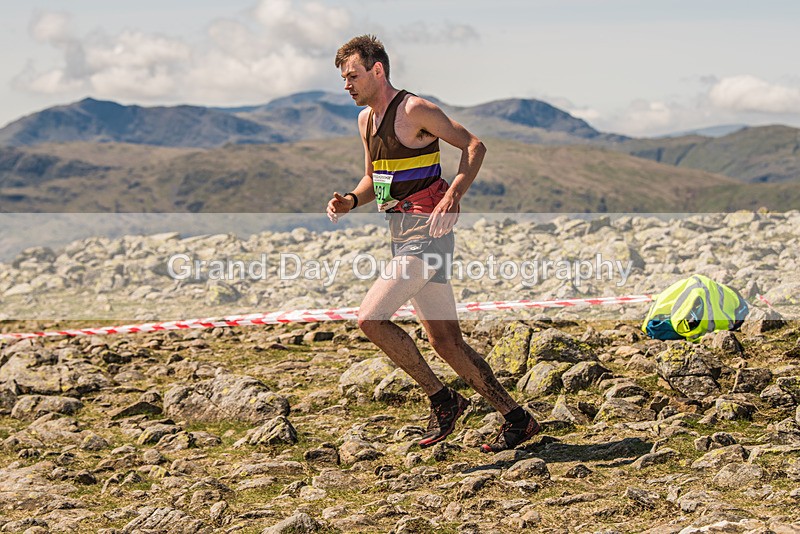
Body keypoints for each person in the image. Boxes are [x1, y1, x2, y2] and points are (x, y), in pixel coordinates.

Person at [326, 35, 540, 453]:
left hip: (427, 237)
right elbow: (375, 178)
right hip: (400, 234)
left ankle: (443, 399)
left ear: (377, 70)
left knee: (370, 319)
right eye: (343, 78)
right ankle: (518, 419)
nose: (346, 85)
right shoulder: (366, 121)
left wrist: (453, 194)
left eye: (352, 76)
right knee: (446, 343)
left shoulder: (414, 109)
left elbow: (474, 146)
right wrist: (350, 199)